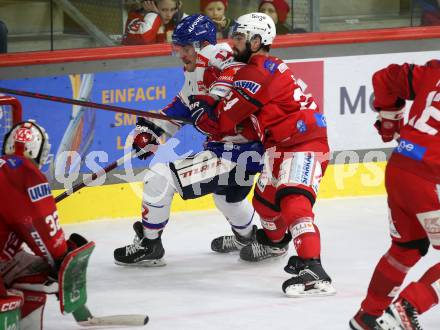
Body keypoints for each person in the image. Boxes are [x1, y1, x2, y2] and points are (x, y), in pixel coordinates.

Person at [190, 12, 335, 297]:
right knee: (266, 201)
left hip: (303, 143)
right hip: (279, 144)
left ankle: (313, 269)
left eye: (241, 38)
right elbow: (242, 116)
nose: (234, 43)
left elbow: (225, 122)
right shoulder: (259, 67)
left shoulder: (255, 71)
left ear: (257, 41)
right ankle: (274, 243)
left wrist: (199, 114)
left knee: (294, 201)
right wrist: (208, 104)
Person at [113, 14, 274, 267]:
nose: (181, 55)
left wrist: (214, 101)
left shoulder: (218, 56)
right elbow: (181, 108)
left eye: (185, 48)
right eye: (178, 48)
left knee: (159, 176)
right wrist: (152, 133)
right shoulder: (196, 71)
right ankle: (250, 238)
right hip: (239, 155)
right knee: (227, 198)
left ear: (200, 46)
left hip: (236, 154)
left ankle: (150, 244)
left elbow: (234, 68)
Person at [349, 60, 440, 330]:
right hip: (429, 179)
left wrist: (390, 121)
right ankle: (406, 307)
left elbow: (385, 78)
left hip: (401, 168)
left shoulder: (434, 70)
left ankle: (368, 316)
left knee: (406, 248)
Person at [0, 120, 88, 329]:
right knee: (42, 275)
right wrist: (61, 258)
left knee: (35, 270)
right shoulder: (26, 172)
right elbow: (43, 227)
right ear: (37, 151)